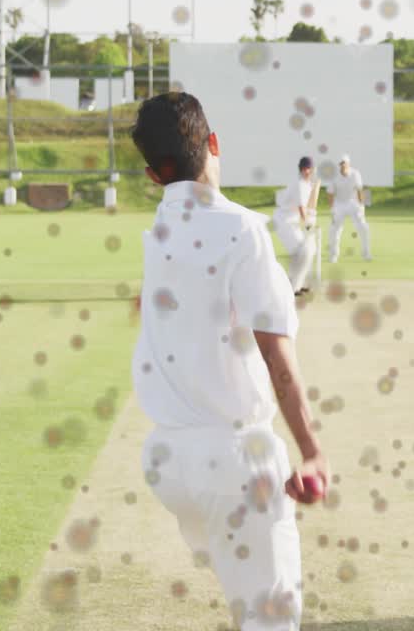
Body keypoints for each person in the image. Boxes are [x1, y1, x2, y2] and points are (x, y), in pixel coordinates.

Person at [130, 92, 329, 631]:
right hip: (234, 459)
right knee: (271, 617)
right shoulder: (243, 229)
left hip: (168, 460)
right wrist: (310, 451)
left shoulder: (159, 229)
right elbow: (276, 355)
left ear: (153, 174)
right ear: (214, 143)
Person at [272, 156, 320, 296]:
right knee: (302, 253)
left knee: (308, 251)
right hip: (283, 222)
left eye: (309, 168)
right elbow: (301, 208)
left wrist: (316, 187)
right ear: (301, 169)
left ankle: (297, 285)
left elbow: (311, 205)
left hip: (291, 222)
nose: (307, 171)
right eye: (304, 168)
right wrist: (307, 225)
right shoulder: (300, 184)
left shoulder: (307, 184)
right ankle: (292, 287)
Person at [325, 154, 372, 263]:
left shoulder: (355, 174)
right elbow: (330, 194)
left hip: (353, 203)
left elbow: (360, 189)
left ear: (348, 163)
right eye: (341, 164)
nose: (343, 165)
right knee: (334, 230)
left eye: (344, 163)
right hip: (339, 204)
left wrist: (362, 205)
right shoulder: (334, 176)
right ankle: (333, 255)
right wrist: (332, 209)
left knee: (363, 227)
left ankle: (366, 253)